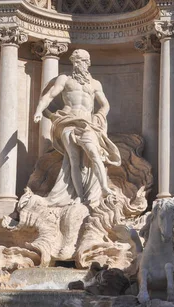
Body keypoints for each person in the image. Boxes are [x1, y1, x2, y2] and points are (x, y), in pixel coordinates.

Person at [33, 49, 121, 207]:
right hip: (68, 121)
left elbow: (105, 104)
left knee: (94, 153)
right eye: (77, 61)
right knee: (73, 159)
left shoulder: (95, 84)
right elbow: (50, 95)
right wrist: (39, 110)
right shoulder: (65, 79)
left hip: (87, 124)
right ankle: (79, 196)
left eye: (83, 61)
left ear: (88, 63)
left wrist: (99, 116)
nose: (81, 64)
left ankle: (104, 188)